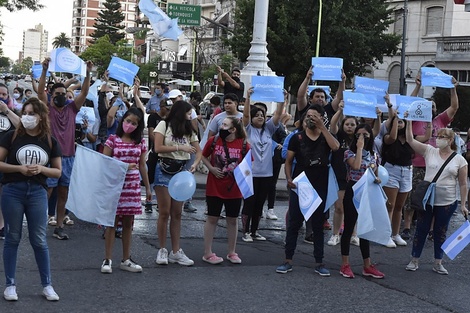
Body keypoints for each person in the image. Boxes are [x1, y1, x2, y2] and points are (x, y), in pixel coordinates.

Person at [0, 97, 62, 301]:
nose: (27, 117)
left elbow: (58, 172)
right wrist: (19, 168)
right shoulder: (11, 136)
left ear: (41, 117)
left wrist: (42, 169)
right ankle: (10, 284)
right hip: (12, 191)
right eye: (24, 113)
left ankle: (47, 285)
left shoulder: (50, 141)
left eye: (31, 113)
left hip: (37, 192)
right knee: (12, 237)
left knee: (39, 239)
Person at [276, 104, 339, 276]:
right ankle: (287, 260)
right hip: (300, 184)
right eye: (308, 116)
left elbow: (335, 147)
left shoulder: (326, 136)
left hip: (320, 184)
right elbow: (288, 161)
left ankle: (319, 262)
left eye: (314, 116)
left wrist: (322, 128)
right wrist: (289, 179)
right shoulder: (297, 138)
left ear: (321, 117)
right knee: (294, 223)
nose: (310, 118)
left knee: (318, 225)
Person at [37, 58, 93, 240]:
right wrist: (44, 71)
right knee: (46, 192)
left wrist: (88, 72)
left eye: (64, 93)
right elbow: (40, 92)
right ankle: (38, 224)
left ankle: (59, 226)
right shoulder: (46, 109)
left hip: (68, 157)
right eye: (58, 93)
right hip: (50, 158)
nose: (61, 96)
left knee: (64, 193)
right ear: (51, 95)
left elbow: (84, 92)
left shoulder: (71, 109)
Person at [402, 73, 459, 241]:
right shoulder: (415, 120)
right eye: (428, 105)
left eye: (433, 106)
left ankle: (432, 231)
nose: (431, 107)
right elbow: (408, 104)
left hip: (436, 167)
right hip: (417, 164)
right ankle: (406, 227)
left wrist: (453, 89)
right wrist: (417, 86)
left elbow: (454, 107)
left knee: (434, 200)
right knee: (412, 197)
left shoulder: (440, 121)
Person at [405, 124, 468, 274]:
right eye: (437, 137)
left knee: (440, 231)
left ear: (451, 139)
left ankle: (438, 262)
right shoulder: (429, 151)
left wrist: (463, 204)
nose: (438, 140)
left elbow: (463, 183)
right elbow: (410, 140)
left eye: (442, 137)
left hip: (447, 201)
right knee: (421, 229)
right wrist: (408, 122)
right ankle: (414, 260)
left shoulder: (460, 160)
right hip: (427, 200)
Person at [101, 107, 151, 274]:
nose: (130, 125)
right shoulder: (112, 140)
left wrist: (148, 188)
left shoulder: (140, 143)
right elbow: (105, 163)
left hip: (132, 186)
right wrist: (123, 166)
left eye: (134, 123)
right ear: (122, 121)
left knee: (129, 224)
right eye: (128, 121)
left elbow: (143, 165)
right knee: (111, 223)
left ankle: (126, 259)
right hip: (115, 186)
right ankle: (107, 259)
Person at [154, 100, 202, 266]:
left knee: (177, 213)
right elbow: (157, 148)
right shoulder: (164, 124)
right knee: (164, 212)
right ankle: (162, 249)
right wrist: (179, 148)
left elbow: (198, 150)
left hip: (181, 172)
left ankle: (176, 251)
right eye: (189, 113)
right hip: (164, 170)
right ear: (180, 112)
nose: (190, 116)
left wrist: (195, 164)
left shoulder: (189, 130)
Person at [201, 117, 250, 264]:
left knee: (232, 220)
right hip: (215, 186)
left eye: (225, 125)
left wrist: (242, 175)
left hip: (234, 188)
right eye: (221, 124)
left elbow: (248, 165)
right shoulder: (214, 141)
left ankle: (232, 252)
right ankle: (207, 252)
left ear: (233, 129)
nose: (221, 127)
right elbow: (203, 156)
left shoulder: (244, 144)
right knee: (212, 218)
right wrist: (211, 169)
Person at [339, 124, 385, 279]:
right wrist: (359, 148)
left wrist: (377, 179)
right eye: (359, 135)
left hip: (368, 191)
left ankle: (367, 265)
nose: (362, 138)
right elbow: (357, 165)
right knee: (349, 227)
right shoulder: (349, 152)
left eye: (366, 135)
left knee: (365, 228)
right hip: (353, 190)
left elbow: (375, 172)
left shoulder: (374, 154)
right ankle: (345, 264)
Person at [241, 87, 283, 242]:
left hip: (266, 173)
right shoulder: (248, 129)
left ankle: (254, 231)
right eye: (256, 115)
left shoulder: (269, 129)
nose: (260, 117)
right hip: (251, 173)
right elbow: (245, 115)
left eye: (262, 115)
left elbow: (278, 116)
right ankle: (245, 231)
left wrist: (281, 99)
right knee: (249, 203)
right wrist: (247, 98)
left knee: (259, 204)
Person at [328, 102, 359, 246]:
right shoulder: (338, 136)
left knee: (354, 207)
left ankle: (354, 234)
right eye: (347, 124)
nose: (350, 127)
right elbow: (333, 124)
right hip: (339, 176)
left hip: (356, 177)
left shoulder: (360, 139)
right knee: (339, 207)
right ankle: (335, 234)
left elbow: (375, 132)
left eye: (352, 124)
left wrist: (377, 117)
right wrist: (340, 110)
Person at [381, 110, 414, 247]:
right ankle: (386, 235)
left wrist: (412, 119)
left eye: (402, 121)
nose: (400, 123)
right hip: (391, 170)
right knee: (390, 205)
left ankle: (396, 234)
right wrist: (394, 118)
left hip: (406, 171)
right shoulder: (388, 137)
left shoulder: (409, 138)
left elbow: (426, 136)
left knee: (399, 206)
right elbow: (393, 137)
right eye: (397, 121)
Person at [0, 84, 21, 240]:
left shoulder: (11, 113)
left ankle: (1, 225)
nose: (1, 97)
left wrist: (6, 110)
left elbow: (21, 127)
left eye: (4, 94)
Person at [145, 98, 172, 213]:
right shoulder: (153, 117)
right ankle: (149, 201)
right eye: (167, 108)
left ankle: (161, 202)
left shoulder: (170, 120)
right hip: (155, 151)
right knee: (150, 177)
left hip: (165, 153)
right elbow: (151, 134)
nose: (169, 111)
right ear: (161, 107)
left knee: (163, 179)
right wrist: (160, 143)